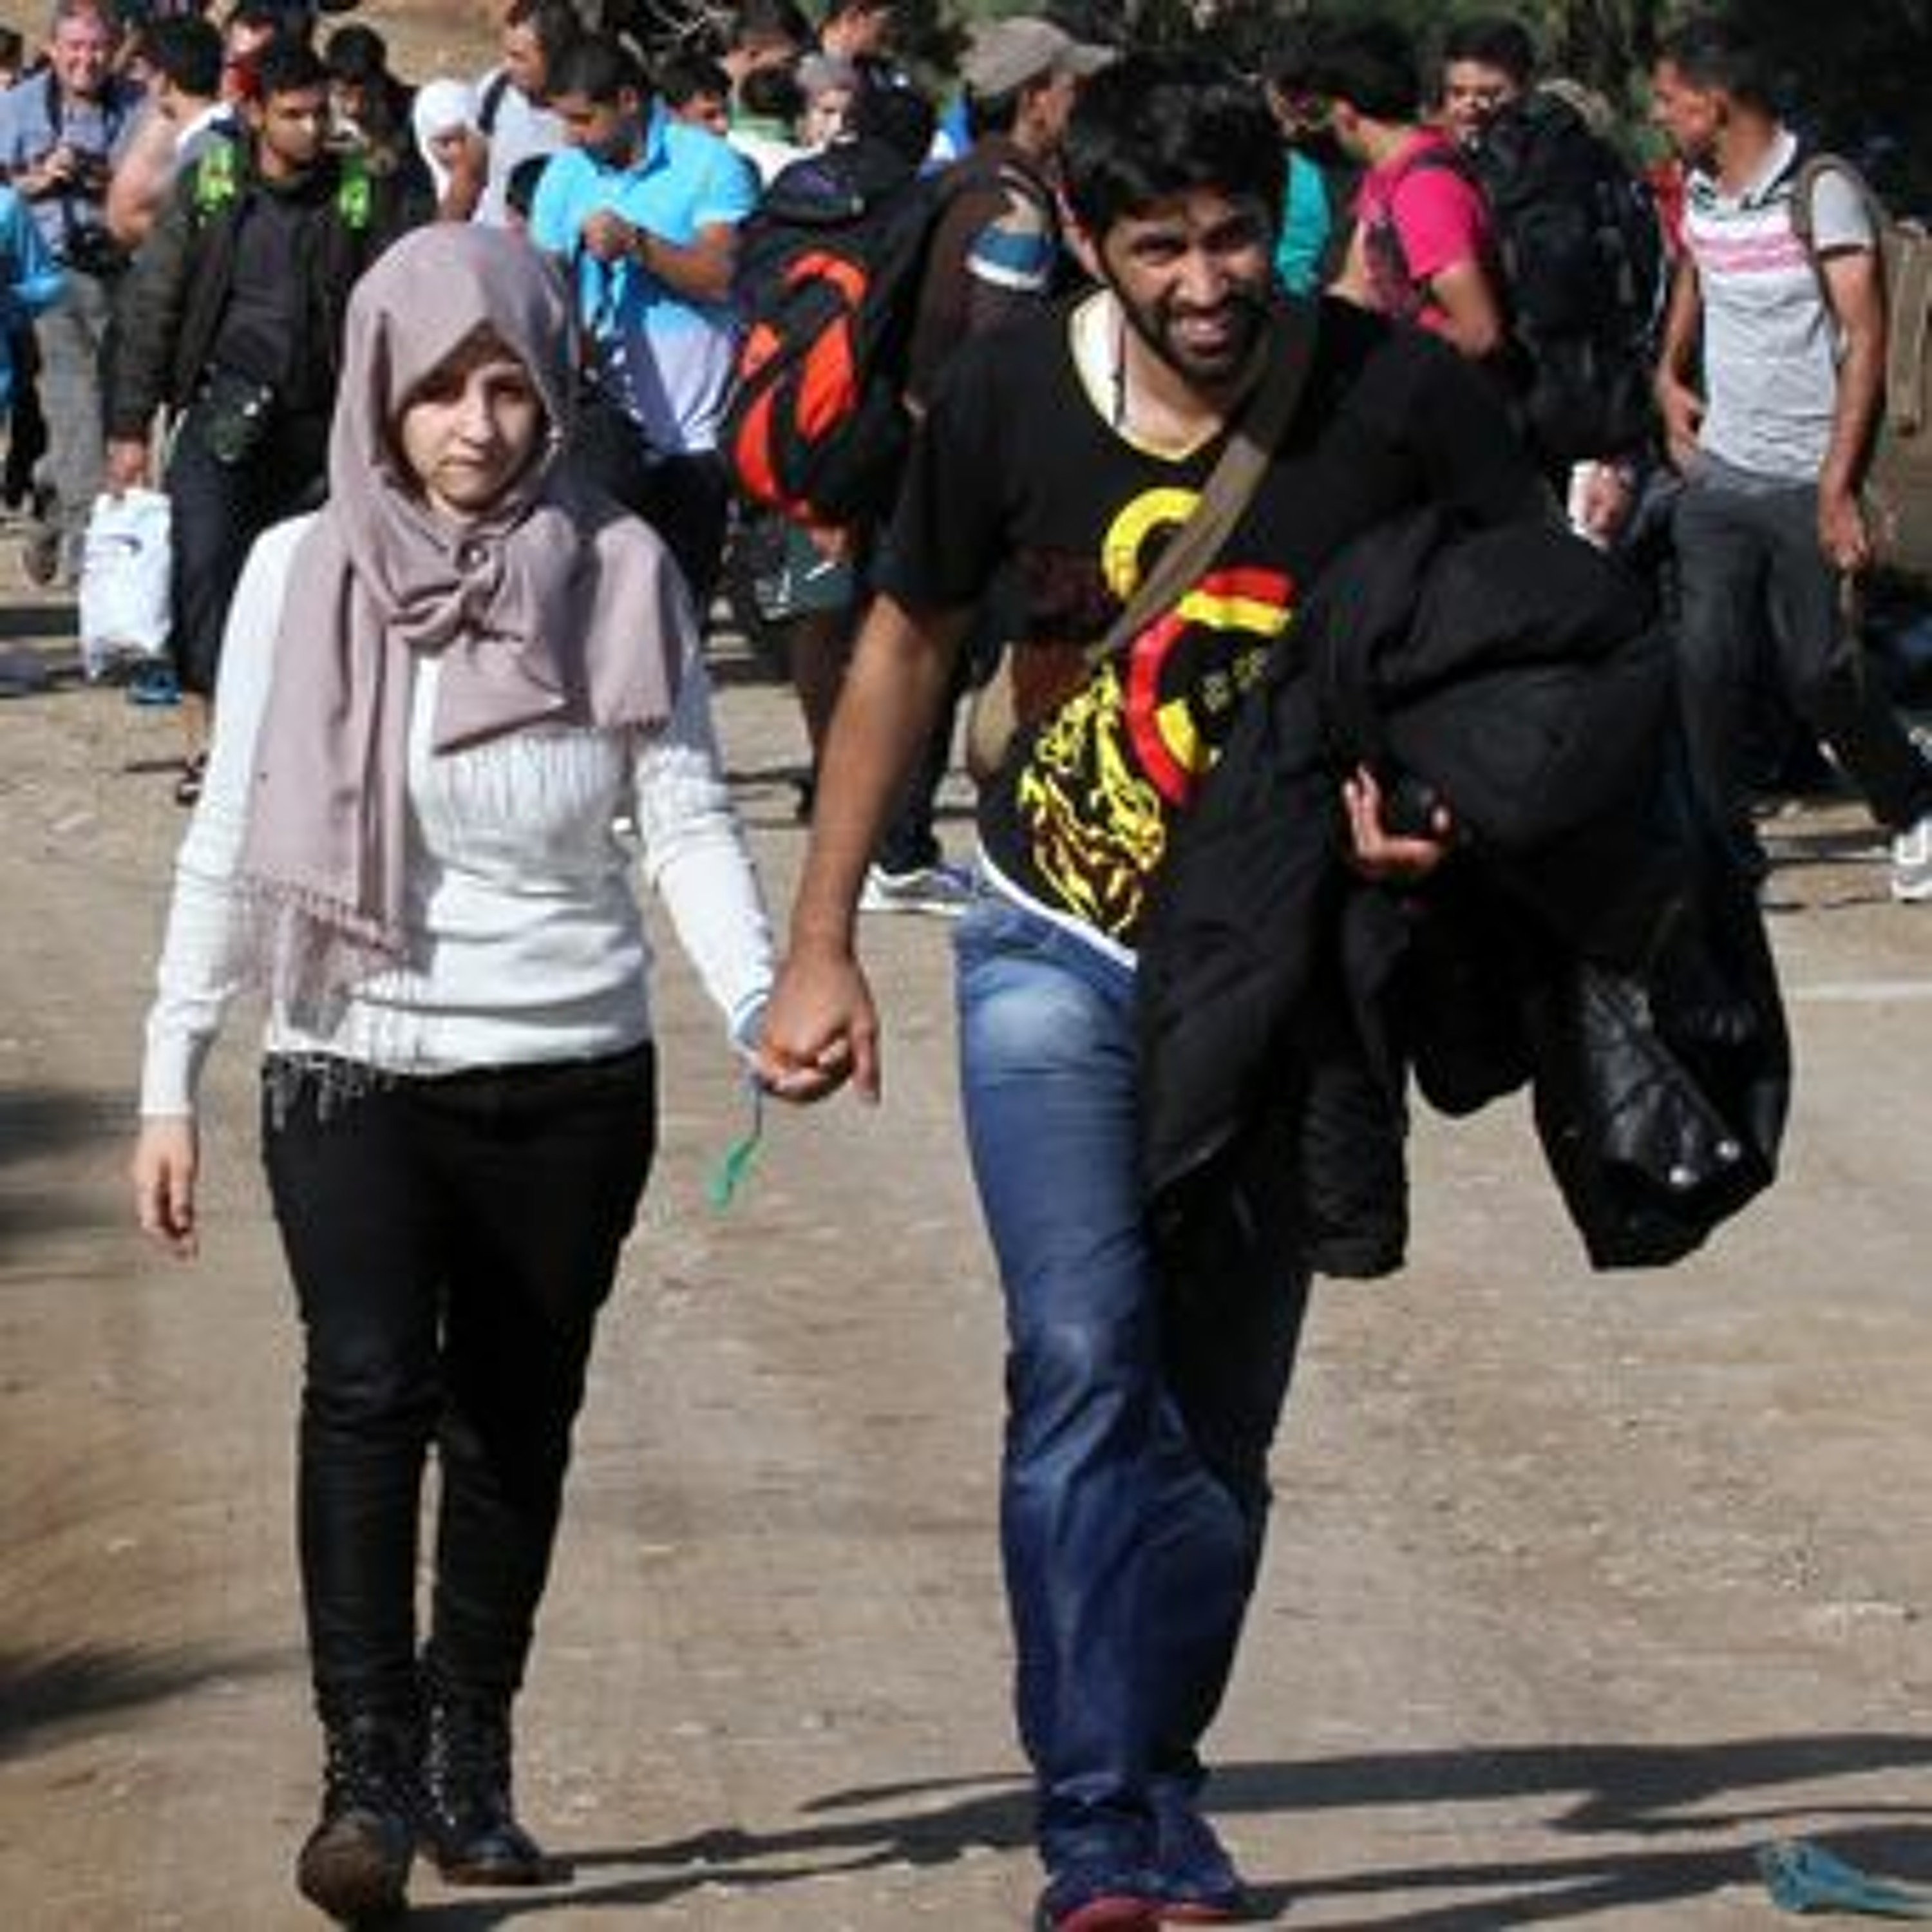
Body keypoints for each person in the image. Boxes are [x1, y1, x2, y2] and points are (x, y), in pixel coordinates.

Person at [757, 53, 1545, 1931]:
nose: (1202, 284)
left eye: (1230, 240)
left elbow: (1530, 634)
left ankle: (1158, 1773)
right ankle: (1095, 1823)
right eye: (1157, 248)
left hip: (1286, 979)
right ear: (1087, 237)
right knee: (1082, 1355)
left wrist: (1446, 808)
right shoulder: (1009, 393)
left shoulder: (1396, 398)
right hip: (1054, 942)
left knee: (1213, 1414)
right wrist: (821, 935)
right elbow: (906, 644)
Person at [129, 220, 775, 1927]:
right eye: (437, 392)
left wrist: (759, 1001)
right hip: (352, 1059)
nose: (477, 426)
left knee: (515, 1417)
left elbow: (684, 819)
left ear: (555, 391)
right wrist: (169, 1075)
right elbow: (229, 834)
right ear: (379, 394)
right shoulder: (299, 571)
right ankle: (368, 1774)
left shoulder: (621, 569)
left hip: (571, 1068)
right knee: (364, 1390)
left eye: (508, 389)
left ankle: (470, 1758)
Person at [1650, 13, 1932, 900]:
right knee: (1705, 663)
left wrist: (1837, 489)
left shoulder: (1821, 192)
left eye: (1669, 100)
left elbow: (1866, 337)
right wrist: (1668, 373)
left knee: (1819, 670)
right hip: (1721, 474)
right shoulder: (1700, 187)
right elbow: (1697, 264)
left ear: (1715, 103)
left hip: (1809, 476)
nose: (1658, 115)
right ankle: (1723, 850)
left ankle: (1913, 801)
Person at [104, 37, 427, 804]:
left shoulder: (362, 188)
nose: (313, 129)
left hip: (324, 426)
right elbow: (154, 304)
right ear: (253, 112)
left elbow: (403, 293)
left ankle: (303, 754)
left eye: (320, 113)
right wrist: (129, 426)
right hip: (222, 413)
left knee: (314, 593)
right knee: (204, 572)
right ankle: (208, 749)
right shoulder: (210, 186)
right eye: (294, 115)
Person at [531, 31, 758, 610]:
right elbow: (540, 290)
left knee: (681, 617)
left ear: (629, 101)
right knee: (601, 612)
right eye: (564, 121)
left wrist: (637, 243)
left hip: (696, 444)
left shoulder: (711, 163)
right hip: (604, 429)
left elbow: (721, 276)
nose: (571, 137)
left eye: (583, 120)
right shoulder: (564, 174)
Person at [0, 0, 143, 583]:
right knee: (78, 407)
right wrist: (33, 180)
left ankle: (46, 497)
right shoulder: (15, 107)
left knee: (106, 417)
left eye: (98, 46)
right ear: (53, 49)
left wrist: (102, 176)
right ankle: (92, 567)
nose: (87, 59)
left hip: (123, 276)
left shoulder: (139, 107)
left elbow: (153, 186)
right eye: (75, 47)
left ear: (116, 49)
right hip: (48, 279)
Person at [1304, 15, 1508, 366]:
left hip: (1450, 391)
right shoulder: (1383, 174)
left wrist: (1393, 333)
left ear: (1344, 112)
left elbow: (1480, 335)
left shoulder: (1425, 193)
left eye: (1325, 113)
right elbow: (1355, 287)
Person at [103, 11, 227, 250]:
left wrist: (131, 222)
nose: (144, 85)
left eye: (147, 76)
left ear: (163, 81)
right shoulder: (215, 137)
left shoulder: (213, 146)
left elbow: (210, 239)